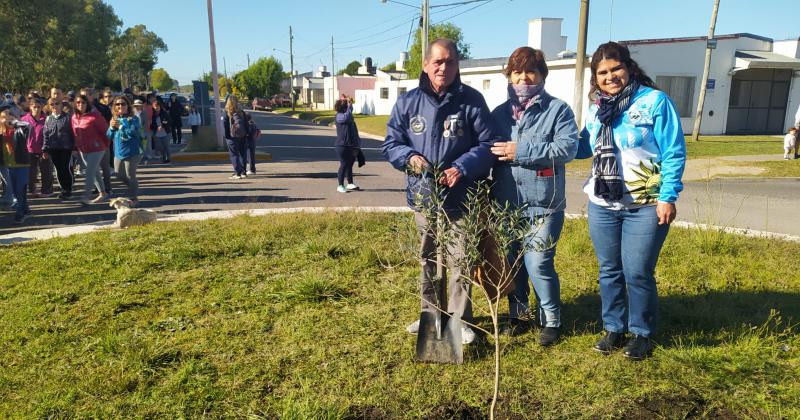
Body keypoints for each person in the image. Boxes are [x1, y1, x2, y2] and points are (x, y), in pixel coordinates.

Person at [576, 41, 686, 360]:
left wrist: (668, 196)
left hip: (646, 204)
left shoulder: (654, 102)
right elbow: (585, 147)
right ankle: (614, 327)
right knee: (609, 269)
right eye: (602, 73)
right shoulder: (598, 108)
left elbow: (674, 152)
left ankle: (641, 332)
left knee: (636, 271)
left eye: (616, 69)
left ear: (629, 68)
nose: (610, 76)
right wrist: (548, 148)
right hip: (603, 203)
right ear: (596, 78)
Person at [382, 39, 496, 345]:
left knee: (460, 260)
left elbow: (488, 145)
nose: (443, 67)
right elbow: (391, 143)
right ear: (425, 65)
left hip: (461, 197)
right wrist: (409, 158)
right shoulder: (407, 103)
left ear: (457, 65)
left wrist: (461, 167)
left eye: (450, 62)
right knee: (428, 259)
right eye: (437, 62)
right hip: (424, 197)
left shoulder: (472, 101)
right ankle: (429, 315)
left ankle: (460, 321)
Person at [489, 47, 579, 345]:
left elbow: (567, 149)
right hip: (506, 203)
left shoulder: (558, 110)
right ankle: (520, 316)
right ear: (509, 75)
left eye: (531, 72)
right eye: (517, 72)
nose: (523, 78)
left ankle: (550, 320)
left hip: (544, 204)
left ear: (542, 75)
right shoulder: (499, 115)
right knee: (512, 262)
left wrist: (521, 151)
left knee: (538, 262)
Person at [71, 94, 111, 204]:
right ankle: (103, 194)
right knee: (95, 172)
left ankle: (85, 197)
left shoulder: (95, 116)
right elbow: (74, 134)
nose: (80, 104)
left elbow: (106, 131)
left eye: (83, 102)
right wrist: (75, 148)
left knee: (89, 171)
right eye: (78, 102)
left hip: (97, 148)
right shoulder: (74, 117)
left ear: (87, 104)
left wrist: (106, 145)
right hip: (83, 149)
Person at [0, 106, 32, 223]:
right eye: (4, 116)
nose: (6, 118)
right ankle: (26, 210)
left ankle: (20, 213)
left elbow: (27, 125)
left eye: (9, 115)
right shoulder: (2, 133)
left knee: (20, 189)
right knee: (16, 191)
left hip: (22, 165)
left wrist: (14, 122)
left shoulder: (19, 129)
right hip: (9, 166)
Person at [108, 96, 142, 203]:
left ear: (128, 106)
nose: (120, 106)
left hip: (132, 152)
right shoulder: (114, 119)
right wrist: (112, 127)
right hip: (118, 152)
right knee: (117, 173)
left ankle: (133, 197)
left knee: (130, 175)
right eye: (117, 104)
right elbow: (109, 135)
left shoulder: (134, 119)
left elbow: (134, 133)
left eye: (123, 104)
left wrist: (120, 127)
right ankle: (134, 185)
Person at [42, 97, 75, 200]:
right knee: (59, 170)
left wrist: (75, 148)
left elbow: (73, 134)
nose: (54, 106)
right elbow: (46, 135)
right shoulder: (48, 119)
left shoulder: (68, 118)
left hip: (66, 148)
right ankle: (64, 189)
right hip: (53, 149)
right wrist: (45, 149)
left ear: (61, 105)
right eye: (52, 104)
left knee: (65, 169)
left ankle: (68, 190)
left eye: (57, 103)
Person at [21, 99, 53, 198]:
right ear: (30, 107)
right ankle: (32, 190)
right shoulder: (24, 119)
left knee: (46, 170)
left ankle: (46, 190)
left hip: (44, 149)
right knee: (31, 172)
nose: (37, 109)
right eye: (34, 107)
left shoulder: (47, 119)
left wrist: (47, 149)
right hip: (29, 149)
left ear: (42, 107)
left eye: (39, 107)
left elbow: (50, 135)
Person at [334, 95, 362, 192]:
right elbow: (347, 115)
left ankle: (350, 183)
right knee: (344, 164)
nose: (349, 109)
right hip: (342, 145)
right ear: (343, 108)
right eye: (347, 107)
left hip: (352, 145)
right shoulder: (339, 116)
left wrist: (358, 145)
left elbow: (355, 132)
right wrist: (349, 105)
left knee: (350, 164)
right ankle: (340, 185)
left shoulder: (350, 119)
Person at [222, 95, 249, 179]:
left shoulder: (226, 112)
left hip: (232, 136)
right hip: (242, 135)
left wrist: (227, 136)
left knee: (234, 155)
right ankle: (243, 172)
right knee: (243, 154)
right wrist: (246, 133)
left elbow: (225, 125)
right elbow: (246, 123)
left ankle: (237, 173)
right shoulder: (241, 111)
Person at [151, 98, 171, 163]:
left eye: (158, 106)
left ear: (160, 106)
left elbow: (170, 122)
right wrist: (156, 127)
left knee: (166, 146)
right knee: (159, 147)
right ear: (153, 107)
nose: (156, 108)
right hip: (156, 134)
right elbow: (151, 125)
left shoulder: (164, 113)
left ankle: (168, 158)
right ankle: (163, 156)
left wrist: (163, 124)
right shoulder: (152, 115)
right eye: (155, 106)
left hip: (165, 132)